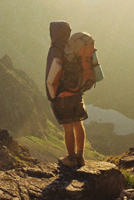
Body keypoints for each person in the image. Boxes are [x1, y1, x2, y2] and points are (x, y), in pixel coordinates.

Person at [45, 21, 88, 168]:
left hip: (63, 96)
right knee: (78, 123)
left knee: (68, 127)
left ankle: (70, 159)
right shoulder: (74, 48)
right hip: (77, 93)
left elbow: (52, 76)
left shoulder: (55, 50)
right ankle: (80, 157)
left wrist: (52, 96)